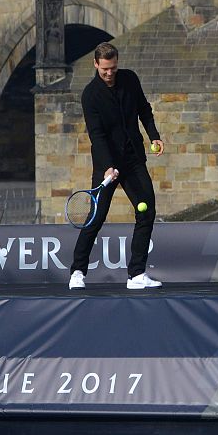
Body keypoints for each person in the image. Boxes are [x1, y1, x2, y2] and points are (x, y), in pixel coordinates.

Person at [69, 42, 166, 291]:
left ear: (117, 63)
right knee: (96, 217)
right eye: (104, 70)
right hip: (107, 163)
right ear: (96, 65)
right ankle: (78, 271)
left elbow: (144, 110)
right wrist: (108, 166)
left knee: (147, 211)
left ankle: (136, 274)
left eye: (112, 68)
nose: (109, 73)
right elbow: (97, 134)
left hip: (133, 158)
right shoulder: (90, 95)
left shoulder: (130, 80)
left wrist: (154, 135)